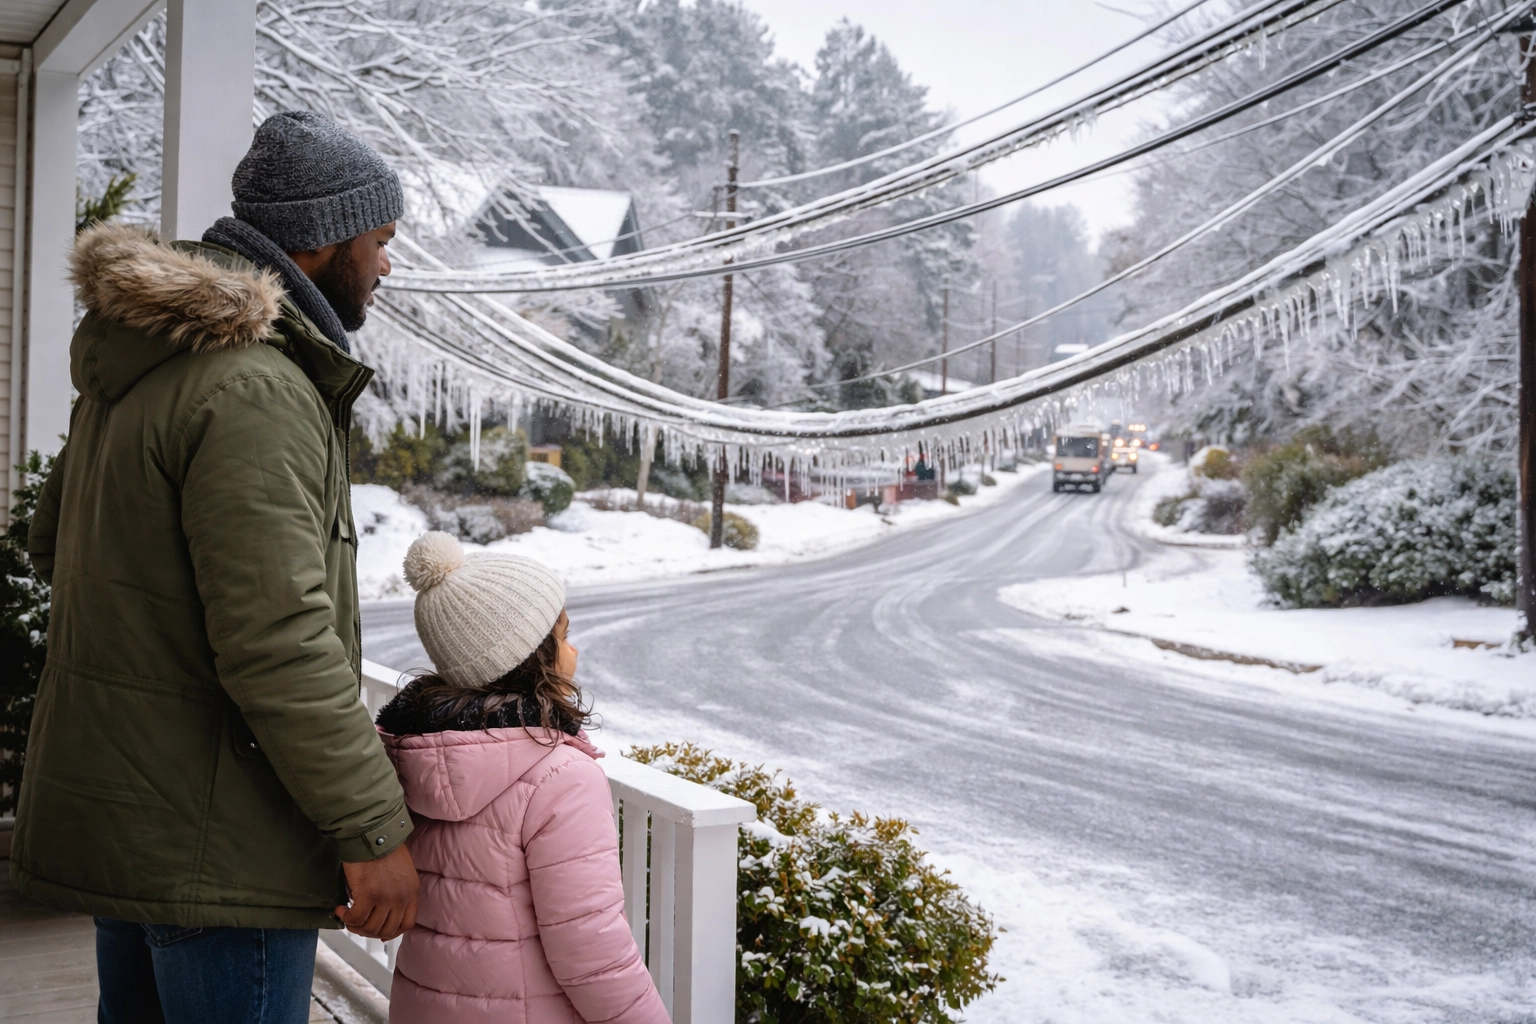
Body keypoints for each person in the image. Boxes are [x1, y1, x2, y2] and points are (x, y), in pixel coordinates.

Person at [15, 111, 418, 1023]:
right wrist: (371, 829)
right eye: (380, 241)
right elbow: (277, 637)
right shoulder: (254, 388)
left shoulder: (151, 363)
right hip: (219, 846)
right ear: (321, 242)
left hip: (135, 823)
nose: (387, 266)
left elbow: (57, 547)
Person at [375, 532, 670, 1024]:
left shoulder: (419, 754)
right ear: (532, 657)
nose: (574, 652)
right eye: (563, 637)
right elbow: (591, 946)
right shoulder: (561, 776)